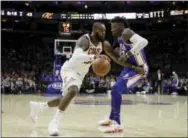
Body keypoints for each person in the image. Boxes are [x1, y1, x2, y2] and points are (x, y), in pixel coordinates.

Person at [29, 22, 109, 136]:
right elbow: (76, 57)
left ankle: (38, 107)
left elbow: (90, 61)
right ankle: (54, 123)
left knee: (64, 98)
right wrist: (95, 57)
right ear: (95, 30)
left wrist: (99, 66)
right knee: (73, 91)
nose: (104, 33)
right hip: (69, 70)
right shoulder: (84, 40)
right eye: (102, 31)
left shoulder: (100, 46)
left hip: (80, 74)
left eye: (105, 31)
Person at [99, 16, 149, 133]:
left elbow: (144, 42)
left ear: (122, 27)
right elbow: (118, 60)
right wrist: (107, 54)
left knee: (116, 89)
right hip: (130, 69)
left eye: (114, 27)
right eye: (111, 28)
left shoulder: (127, 32)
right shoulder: (118, 40)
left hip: (140, 69)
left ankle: (117, 124)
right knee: (114, 90)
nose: (112, 30)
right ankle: (111, 119)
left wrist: (127, 55)